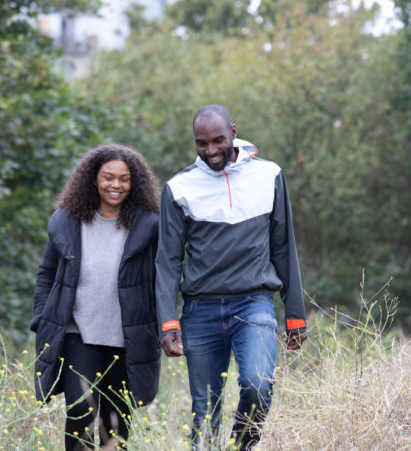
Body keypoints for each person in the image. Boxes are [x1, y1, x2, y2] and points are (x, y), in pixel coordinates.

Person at [156, 104, 308, 450]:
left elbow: (284, 248)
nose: (210, 151)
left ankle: (242, 446)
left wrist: (295, 314)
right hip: (200, 312)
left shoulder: (269, 175)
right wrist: (167, 321)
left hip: (253, 304)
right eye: (201, 143)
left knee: (258, 384)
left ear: (234, 133)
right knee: (204, 410)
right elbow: (166, 262)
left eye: (218, 140)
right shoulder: (180, 188)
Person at [30, 144, 161, 450]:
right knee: (79, 411)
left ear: (135, 183)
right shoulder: (67, 221)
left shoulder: (150, 226)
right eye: (108, 177)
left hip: (126, 339)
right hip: (79, 335)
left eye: (124, 179)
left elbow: (163, 279)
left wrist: (162, 324)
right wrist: (41, 318)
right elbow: (46, 274)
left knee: (116, 422)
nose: (116, 185)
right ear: (93, 179)